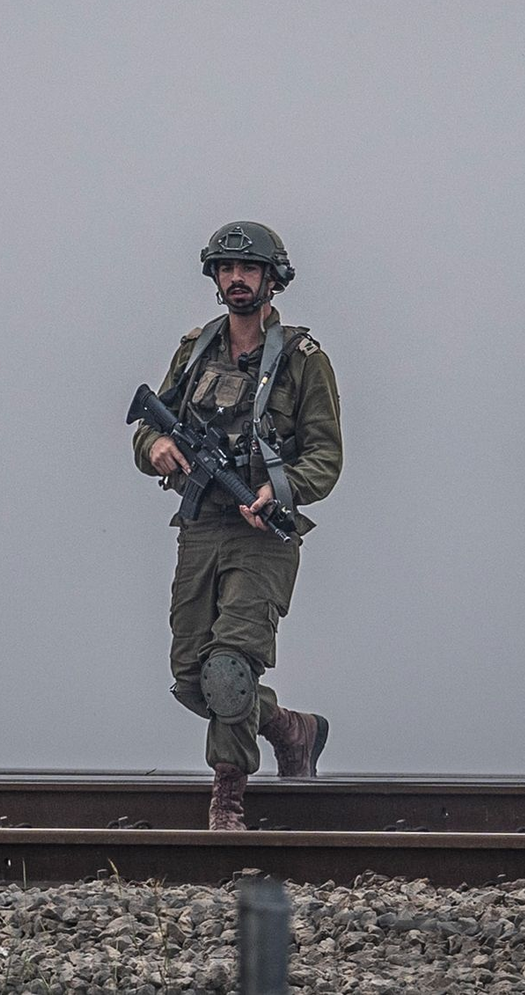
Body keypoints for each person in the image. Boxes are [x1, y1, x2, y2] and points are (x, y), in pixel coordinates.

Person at [132, 222, 342, 829]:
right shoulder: (195, 349)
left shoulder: (303, 360)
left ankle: (228, 799)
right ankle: (287, 726)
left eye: (248, 269)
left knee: (230, 668)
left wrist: (276, 488)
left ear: (272, 278)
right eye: (225, 269)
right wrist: (155, 447)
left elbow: (326, 456)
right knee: (192, 677)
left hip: (261, 536)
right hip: (200, 527)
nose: (236, 279)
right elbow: (151, 424)